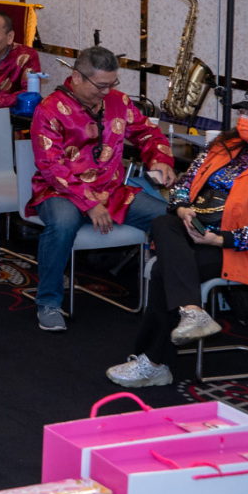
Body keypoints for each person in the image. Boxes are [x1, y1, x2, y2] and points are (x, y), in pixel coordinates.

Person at [107, 85, 248, 388]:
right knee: (164, 221)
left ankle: (155, 361)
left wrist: (221, 240)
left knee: (162, 271)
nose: (244, 118)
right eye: (243, 112)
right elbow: (184, 185)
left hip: (240, 248)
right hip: (197, 229)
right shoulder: (224, 146)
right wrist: (183, 208)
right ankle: (191, 313)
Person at [27, 45, 174, 333]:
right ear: (77, 77)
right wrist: (90, 203)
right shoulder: (49, 109)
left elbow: (147, 133)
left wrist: (160, 159)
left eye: (112, 84)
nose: (107, 91)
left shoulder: (119, 102)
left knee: (167, 218)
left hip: (111, 189)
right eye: (100, 85)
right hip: (60, 190)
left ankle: (174, 301)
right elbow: (51, 167)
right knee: (63, 224)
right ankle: (48, 302)